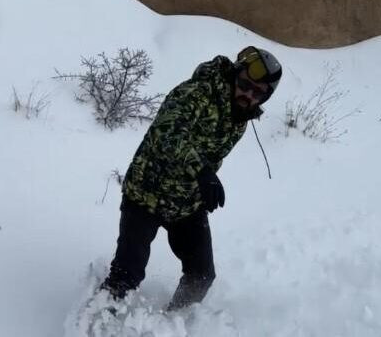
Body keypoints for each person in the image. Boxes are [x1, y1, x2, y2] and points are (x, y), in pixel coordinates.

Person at [101, 46, 282, 310]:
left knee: (202, 275)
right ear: (235, 74)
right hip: (146, 193)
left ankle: (173, 322)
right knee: (126, 275)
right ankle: (95, 325)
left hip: (186, 204)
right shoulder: (198, 92)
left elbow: (212, 155)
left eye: (257, 93)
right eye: (245, 84)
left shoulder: (239, 118)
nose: (248, 94)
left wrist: (202, 184)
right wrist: (201, 171)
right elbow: (166, 132)